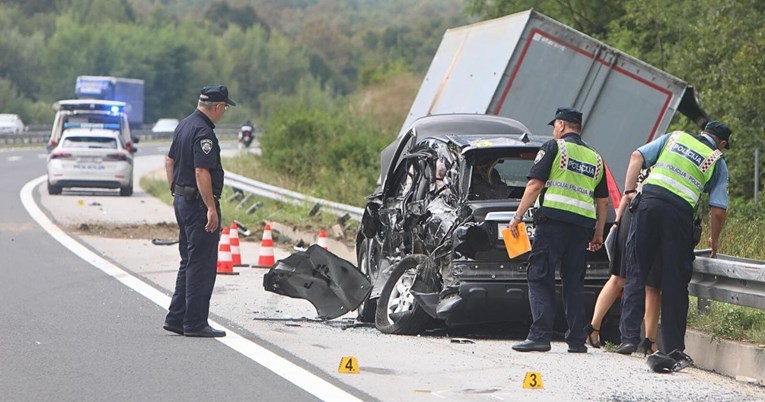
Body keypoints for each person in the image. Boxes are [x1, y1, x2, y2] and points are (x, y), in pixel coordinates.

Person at [618, 120, 732, 372]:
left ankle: (627, 339)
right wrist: (714, 240)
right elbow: (718, 211)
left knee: (636, 270)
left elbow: (636, 155)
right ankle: (672, 348)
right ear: (722, 143)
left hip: (648, 203)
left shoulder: (675, 137)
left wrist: (629, 193)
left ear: (703, 132)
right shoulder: (716, 160)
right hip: (678, 215)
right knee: (674, 282)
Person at [510, 107, 609, 354]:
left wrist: (517, 216)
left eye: (555, 125)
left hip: (553, 222)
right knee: (573, 282)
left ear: (562, 125)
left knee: (540, 275)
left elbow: (534, 184)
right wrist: (598, 234)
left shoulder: (554, 148)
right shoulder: (596, 157)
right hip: (582, 227)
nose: (554, 130)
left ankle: (540, 336)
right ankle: (577, 339)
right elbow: (603, 201)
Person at [163, 84, 236, 337]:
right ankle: (194, 322)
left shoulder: (184, 125)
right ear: (217, 107)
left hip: (182, 201)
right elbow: (201, 171)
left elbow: (169, 160)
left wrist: (176, 190)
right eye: (224, 108)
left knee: (188, 260)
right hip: (197, 205)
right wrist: (211, 208)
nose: (224, 112)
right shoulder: (204, 132)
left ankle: (176, 317)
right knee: (201, 265)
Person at [586, 169, 661, 355]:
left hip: (630, 214)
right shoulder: (667, 167)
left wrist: (618, 222)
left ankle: (593, 329)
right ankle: (650, 341)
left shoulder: (644, 162)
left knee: (621, 278)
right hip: (651, 219)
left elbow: (627, 194)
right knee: (649, 284)